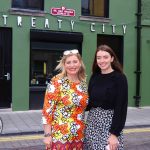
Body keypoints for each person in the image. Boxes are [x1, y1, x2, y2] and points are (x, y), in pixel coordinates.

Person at [42, 49, 89, 150]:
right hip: (60, 137)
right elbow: (47, 110)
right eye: (68, 62)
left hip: (79, 137)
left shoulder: (83, 83)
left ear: (80, 63)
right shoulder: (56, 81)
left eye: (75, 62)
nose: (72, 65)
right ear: (64, 64)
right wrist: (47, 135)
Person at [84, 45, 128, 150]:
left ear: (112, 58)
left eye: (105, 57)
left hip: (110, 124)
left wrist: (114, 134)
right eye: (99, 58)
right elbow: (89, 102)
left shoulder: (120, 78)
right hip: (92, 123)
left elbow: (121, 107)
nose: (102, 60)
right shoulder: (94, 76)